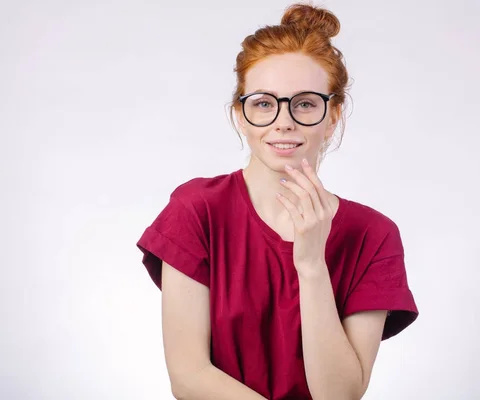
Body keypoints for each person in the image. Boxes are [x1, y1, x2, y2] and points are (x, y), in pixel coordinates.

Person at [136, 3, 418, 399]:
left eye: (304, 103)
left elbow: (339, 396)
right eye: (264, 103)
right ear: (240, 114)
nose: (283, 122)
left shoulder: (374, 235)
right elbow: (188, 377)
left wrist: (311, 265)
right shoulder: (196, 209)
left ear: (333, 114)